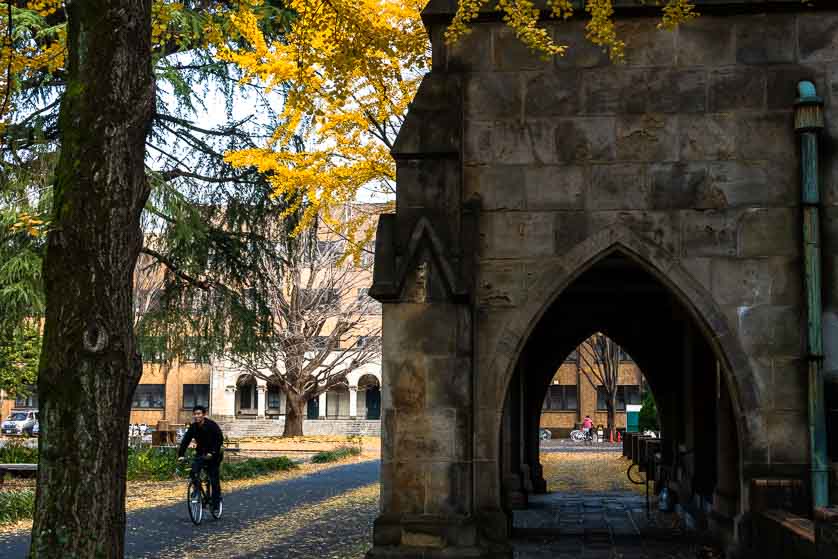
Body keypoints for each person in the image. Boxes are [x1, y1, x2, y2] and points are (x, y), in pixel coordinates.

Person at [178, 405, 224, 514]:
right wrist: (181, 454)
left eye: (199, 414)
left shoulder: (211, 425)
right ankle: (197, 491)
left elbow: (219, 439)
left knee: (213, 478)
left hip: (214, 455)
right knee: (193, 472)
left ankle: (216, 502)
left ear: (204, 414)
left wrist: (212, 452)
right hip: (201, 453)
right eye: (195, 414)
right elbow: (186, 440)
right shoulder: (193, 427)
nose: (197, 416)